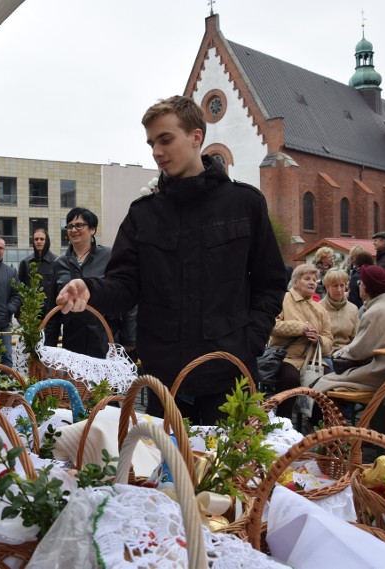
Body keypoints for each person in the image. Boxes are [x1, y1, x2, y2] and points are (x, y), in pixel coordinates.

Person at [55, 95, 285, 425]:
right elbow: (125, 284)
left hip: (227, 377)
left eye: (165, 140)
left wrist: (252, 341)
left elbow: (271, 281)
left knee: (223, 475)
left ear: (196, 136)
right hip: (164, 380)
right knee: (165, 474)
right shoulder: (144, 213)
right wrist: (89, 289)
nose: (157, 152)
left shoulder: (244, 203)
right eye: (151, 144)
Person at [313, 265, 385, 436]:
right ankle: (384, 423)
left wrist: (339, 353)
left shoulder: (376, 311)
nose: (358, 285)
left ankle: (336, 435)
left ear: (367, 287)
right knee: (332, 378)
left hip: (380, 371)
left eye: (361, 282)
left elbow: (360, 349)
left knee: (326, 384)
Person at [44, 207, 136, 359]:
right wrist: (48, 348)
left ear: (92, 229)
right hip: (72, 341)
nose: (74, 230)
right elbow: (53, 308)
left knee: (105, 383)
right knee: (76, 382)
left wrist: (129, 339)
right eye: (70, 226)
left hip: (106, 338)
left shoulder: (110, 256)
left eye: (80, 225)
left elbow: (128, 301)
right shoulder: (59, 263)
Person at [267, 264, 334, 422]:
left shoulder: (320, 309)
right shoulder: (283, 300)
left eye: (314, 279)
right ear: (295, 282)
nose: (312, 282)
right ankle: (283, 423)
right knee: (290, 379)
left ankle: (317, 427)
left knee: (327, 381)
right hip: (286, 357)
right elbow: (271, 325)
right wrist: (300, 328)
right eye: (307, 279)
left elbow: (329, 340)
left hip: (313, 360)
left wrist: (318, 340)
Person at [0, 237, 21, 367]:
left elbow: (17, 294)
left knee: (6, 357)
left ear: (4, 250)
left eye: (0, 248)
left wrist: (9, 309)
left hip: (3, 321)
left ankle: (6, 384)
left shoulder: (11, 272)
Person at [17, 228, 58, 318]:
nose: (39, 242)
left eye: (42, 239)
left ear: (47, 241)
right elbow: (20, 290)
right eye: (36, 239)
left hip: (52, 314)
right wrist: (19, 314)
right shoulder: (25, 262)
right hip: (31, 314)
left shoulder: (57, 262)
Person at [321, 269, 358, 352]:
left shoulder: (353, 309)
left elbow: (356, 338)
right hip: (325, 354)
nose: (339, 290)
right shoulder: (318, 308)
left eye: (342, 285)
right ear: (327, 287)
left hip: (347, 353)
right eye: (335, 286)